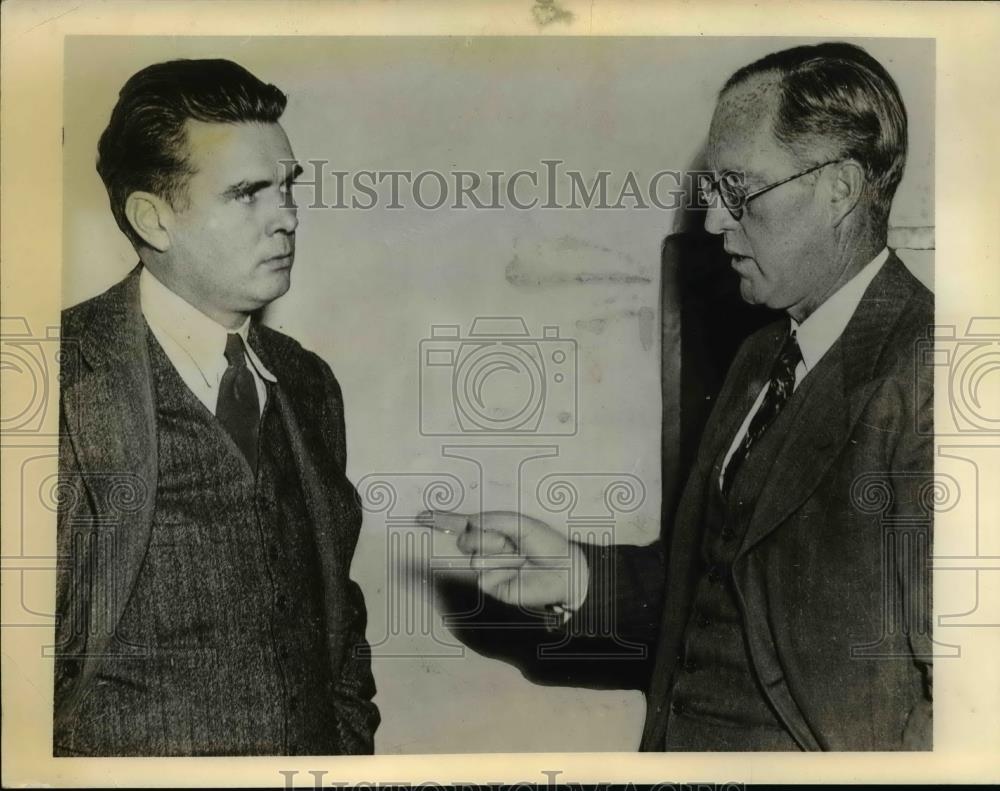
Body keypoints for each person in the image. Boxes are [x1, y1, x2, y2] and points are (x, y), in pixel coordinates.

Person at [424, 42, 933, 751]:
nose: (717, 223)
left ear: (841, 189)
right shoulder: (762, 354)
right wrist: (576, 573)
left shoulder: (931, 371)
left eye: (739, 190)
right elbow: (720, 578)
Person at [54, 59, 379, 756]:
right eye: (247, 193)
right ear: (153, 217)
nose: (286, 217)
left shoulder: (308, 382)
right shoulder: (48, 377)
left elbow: (339, 628)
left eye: (287, 186)